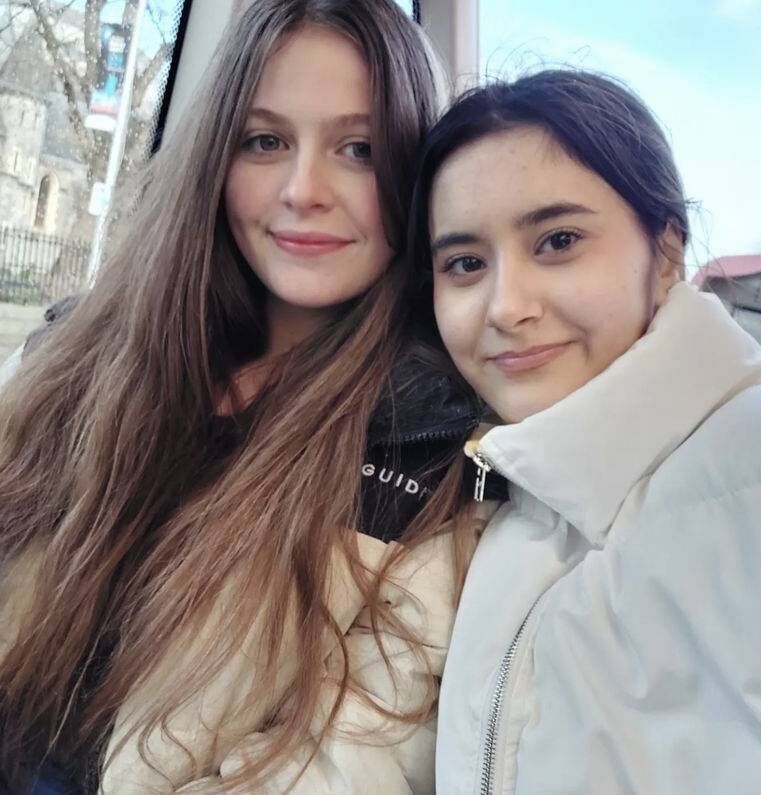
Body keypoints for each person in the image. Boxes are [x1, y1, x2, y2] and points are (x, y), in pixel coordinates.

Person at [0, 2, 485, 793]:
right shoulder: (66, 357)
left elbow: (347, 766)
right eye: (265, 141)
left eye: (359, 149)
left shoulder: (433, 454)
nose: (303, 190)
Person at [408, 69, 761, 793]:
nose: (505, 306)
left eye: (558, 241)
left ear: (665, 252)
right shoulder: (497, 515)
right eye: (466, 264)